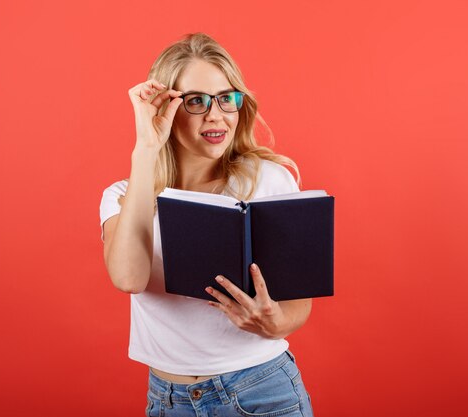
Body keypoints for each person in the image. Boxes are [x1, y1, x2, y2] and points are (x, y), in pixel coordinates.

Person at [99, 32, 314, 416]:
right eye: (195, 101)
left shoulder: (269, 179)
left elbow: (298, 307)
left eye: (226, 98)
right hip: (168, 401)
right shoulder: (124, 194)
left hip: (260, 391)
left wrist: (271, 321)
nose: (215, 115)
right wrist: (146, 148)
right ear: (165, 106)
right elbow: (128, 278)